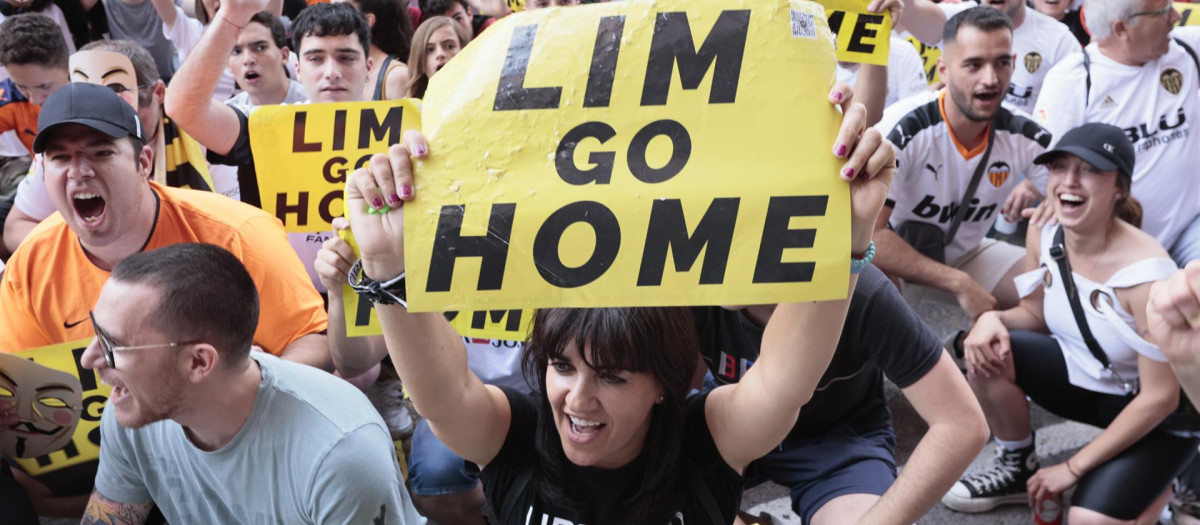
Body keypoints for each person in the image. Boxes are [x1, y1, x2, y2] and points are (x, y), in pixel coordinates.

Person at [341, 77, 894, 523]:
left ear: (663, 387)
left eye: (613, 376)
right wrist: (389, 266)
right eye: (562, 366)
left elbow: (784, 381)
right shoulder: (514, 436)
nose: (577, 399)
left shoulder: (708, 443)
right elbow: (442, 395)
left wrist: (844, 235)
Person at [942, 123, 1199, 523]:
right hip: (1088, 381)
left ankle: (1171, 486)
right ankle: (1016, 467)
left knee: (1087, 520)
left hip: (1158, 417)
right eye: (1059, 167)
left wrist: (1072, 467)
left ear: (1120, 189)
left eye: (1091, 170)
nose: (1069, 181)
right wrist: (990, 318)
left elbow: (1160, 398)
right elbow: (1035, 316)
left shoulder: (1148, 274)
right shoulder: (1042, 231)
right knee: (989, 347)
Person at [77, 243, 423, 524]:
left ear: (199, 362)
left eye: (112, 346)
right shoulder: (136, 408)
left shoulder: (341, 456)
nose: (88, 360)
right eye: (96, 332)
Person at [693, 265, 989, 525]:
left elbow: (962, 425)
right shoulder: (687, 279)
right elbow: (660, 422)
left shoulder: (862, 290)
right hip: (727, 427)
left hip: (838, 440)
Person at [315, 217, 530, 524]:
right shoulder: (409, 224)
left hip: (543, 392)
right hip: (450, 398)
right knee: (437, 482)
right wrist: (339, 294)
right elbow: (353, 361)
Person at [167, 1, 379, 290]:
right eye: (316, 58)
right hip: (287, 305)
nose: (332, 71)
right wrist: (230, 16)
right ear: (298, 68)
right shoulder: (267, 128)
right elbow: (183, 108)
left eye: (346, 57)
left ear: (368, 67)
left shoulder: (399, 131)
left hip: (375, 302)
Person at [872, 7, 1051, 320]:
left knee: (1055, 291)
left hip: (968, 255)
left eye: (1001, 63)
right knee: (874, 295)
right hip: (894, 264)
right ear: (943, 69)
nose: (990, 79)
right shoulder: (904, 128)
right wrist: (957, 283)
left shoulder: (1025, 133)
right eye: (973, 64)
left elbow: (1088, 195)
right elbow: (867, 236)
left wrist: (1063, 208)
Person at [4, 40, 217, 255]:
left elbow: (222, 224)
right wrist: (81, 259)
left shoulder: (201, 133)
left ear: (158, 93)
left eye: (115, 89)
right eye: (86, 93)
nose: (100, 109)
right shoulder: (61, 149)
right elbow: (17, 227)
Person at [1033, 0, 1200, 268]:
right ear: (1122, 28)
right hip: (1117, 246)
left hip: (1191, 228)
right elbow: (1046, 166)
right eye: (1162, 11)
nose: (1176, 16)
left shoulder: (1186, 49)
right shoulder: (1074, 79)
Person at [334, 0, 413, 101]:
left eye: (346, 11)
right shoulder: (336, 72)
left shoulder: (397, 76)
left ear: (368, 21)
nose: (337, 19)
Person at [406, 16, 469, 99]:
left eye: (449, 46)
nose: (440, 54)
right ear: (420, 63)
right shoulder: (409, 107)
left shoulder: (484, 93)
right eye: (430, 49)